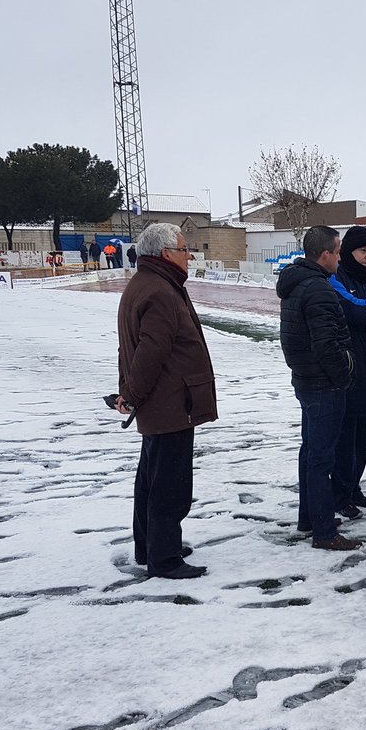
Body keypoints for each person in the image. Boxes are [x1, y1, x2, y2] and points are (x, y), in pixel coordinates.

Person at [115, 222, 217, 579]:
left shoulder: (147, 284)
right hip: (170, 403)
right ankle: (165, 558)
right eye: (184, 249)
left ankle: (151, 546)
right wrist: (131, 394)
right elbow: (148, 352)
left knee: (151, 480)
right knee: (169, 486)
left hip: (163, 402)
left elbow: (128, 351)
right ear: (165, 254)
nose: (189, 256)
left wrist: (128, 391)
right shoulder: (160, 291)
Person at [276, 225, 361, 551]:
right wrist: (344, 375)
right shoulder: (318, 289)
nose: (340, 258)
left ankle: (310, 517)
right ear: (325, 254)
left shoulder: (297, 285)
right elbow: (329, 347)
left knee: (310, 452)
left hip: (307, 381)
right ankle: (324, 532)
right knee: (321, 458)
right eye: (338, 252)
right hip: (323, 386)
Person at [328, 226, 366, 517]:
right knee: (345, 441)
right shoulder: (337, 277)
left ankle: (354, 487)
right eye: (363, 251)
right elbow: (356, 312)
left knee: (363, 438)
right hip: (349, 369)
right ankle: (340, 494)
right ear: (349, 252)